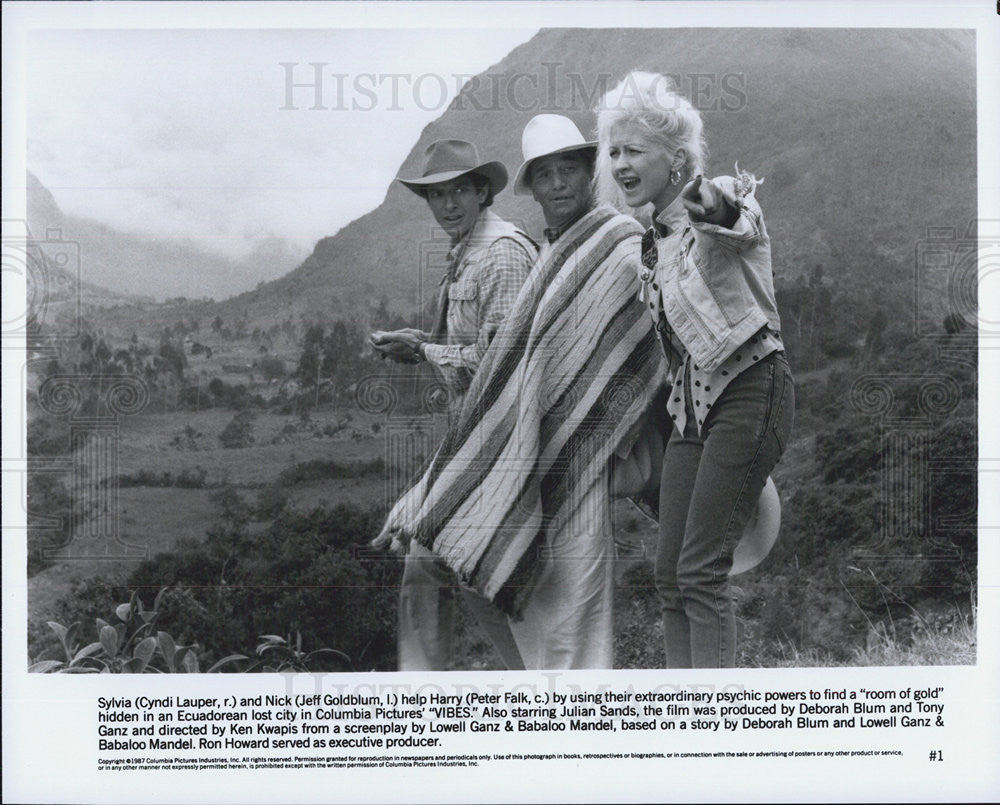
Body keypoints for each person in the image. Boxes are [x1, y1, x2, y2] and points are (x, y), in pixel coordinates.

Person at [375, 114, 662, 669]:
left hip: (579, 455)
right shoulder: (554, 252)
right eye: (545, 174)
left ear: (591, 172)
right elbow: (519, 360)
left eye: (568, 170)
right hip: (520, 449)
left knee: (569, 614)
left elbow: (638, 346)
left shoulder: (617, 247)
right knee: (476, 572)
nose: (557, 184)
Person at [596, 72, 795, 668]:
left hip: (750, 389)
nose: (620, 164)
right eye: (613, 152)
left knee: (702, 572)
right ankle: (686, 716)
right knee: (671, 576)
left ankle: (712, 730)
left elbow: (736, 219)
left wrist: (712, 200)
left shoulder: (719, 197)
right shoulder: (648, 244)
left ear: (676, 156)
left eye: (633, 150)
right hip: (690, 412)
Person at [370, 138, 536, 671]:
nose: (446, 205)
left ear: (482, 190)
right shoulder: (468, 251)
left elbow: (502, 367)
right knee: (452, 571)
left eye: (458, 190)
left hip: (507, 441)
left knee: (439, 566)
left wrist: (423, 349)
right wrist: (420, 344)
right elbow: (479, 345)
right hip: (479, 438)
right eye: (436, 195)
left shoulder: (503, 255)